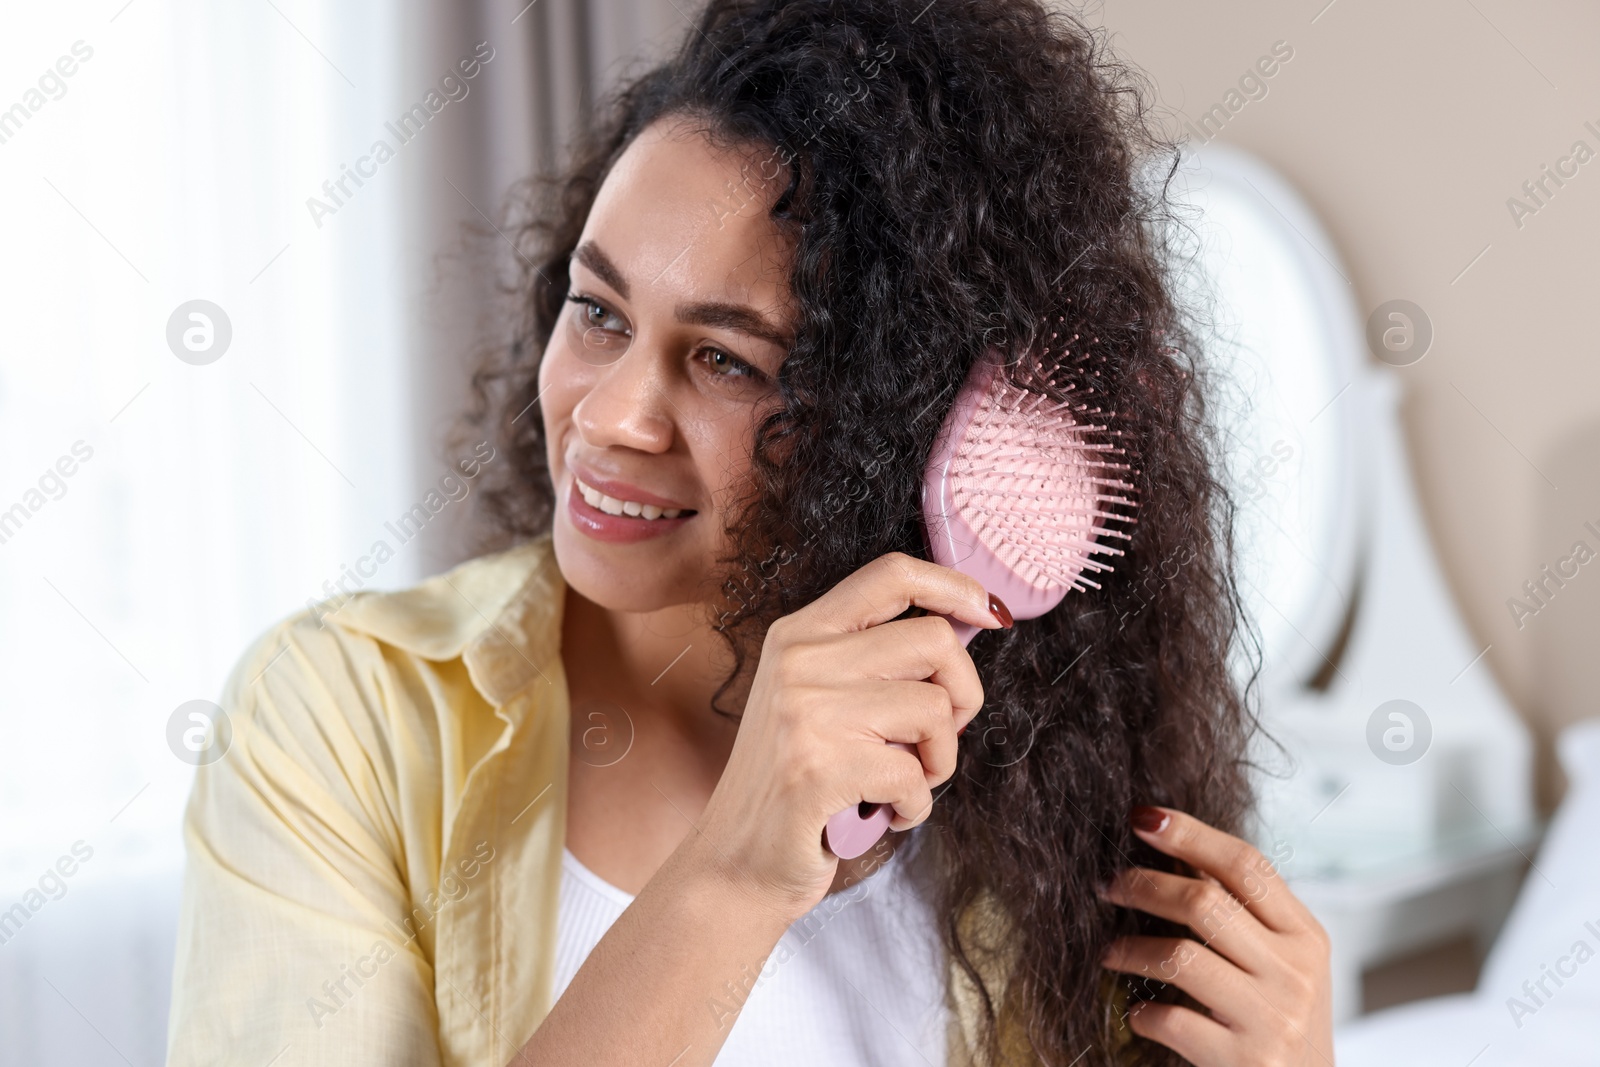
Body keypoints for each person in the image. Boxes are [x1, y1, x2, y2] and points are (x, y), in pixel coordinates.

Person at [166, 0, 1334, 1064]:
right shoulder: (338, 716)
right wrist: (731, 872)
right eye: (597, 309)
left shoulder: (1044, 793)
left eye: (725, 359)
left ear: (904, 417)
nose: (611, 414)